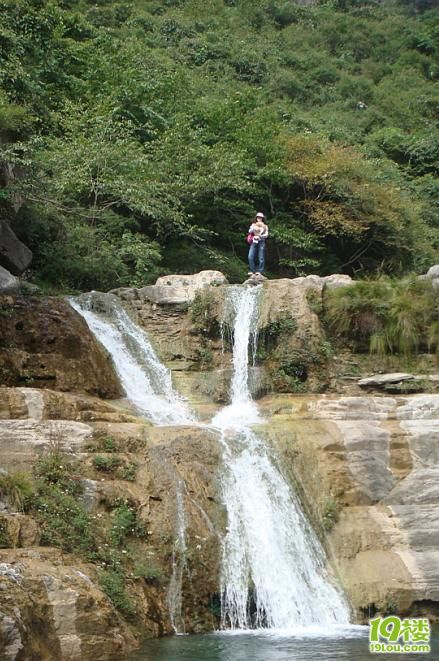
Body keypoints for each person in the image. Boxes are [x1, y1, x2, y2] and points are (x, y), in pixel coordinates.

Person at [248, 212, 268, 276]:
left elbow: (266, 235)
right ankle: (252, 270)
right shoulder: (253, 224)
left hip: (261, 241)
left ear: (262, 218)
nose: (259, 218)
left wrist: (260, 236)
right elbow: (249, 231)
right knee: (250, 256)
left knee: (261, 257)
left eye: (260, 217)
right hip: (254, 240)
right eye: (258, 217)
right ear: (256, 218)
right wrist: (254, 227)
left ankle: (260, 271)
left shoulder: (265, 226)